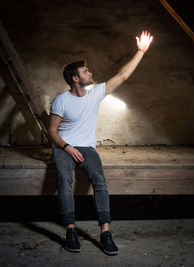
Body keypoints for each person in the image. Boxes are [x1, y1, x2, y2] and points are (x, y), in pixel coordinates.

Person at [48, 30, 153, 255]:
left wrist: (140, 52)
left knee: (100, 181)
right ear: (75, 78)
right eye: (86, 71)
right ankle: (70, 230)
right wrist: (67, 147)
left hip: (87, 148)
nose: (90, 72)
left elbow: (122, 76)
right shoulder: (61, 100)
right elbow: (52, 131)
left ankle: (105, 232)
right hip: (64, 148)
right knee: (65, 180)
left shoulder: (96, 93)